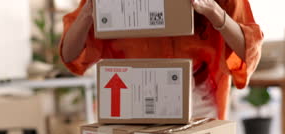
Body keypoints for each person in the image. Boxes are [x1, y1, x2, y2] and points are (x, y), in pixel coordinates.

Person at [60, 0, 263, 119]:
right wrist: (88, 12)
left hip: (195, 98)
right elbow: (70, 55)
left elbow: (248, 50)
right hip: (131, 96)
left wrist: (215, 12)